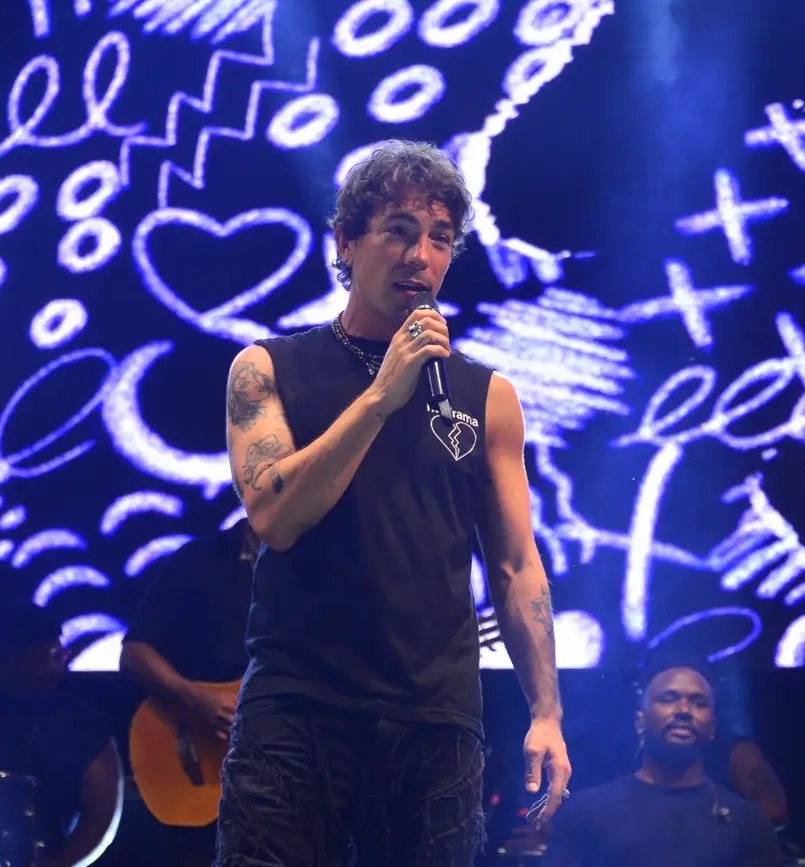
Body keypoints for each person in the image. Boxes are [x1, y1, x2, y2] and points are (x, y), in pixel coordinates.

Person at [214, 139, 571, 866]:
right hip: (297, 707)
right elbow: (275, 517)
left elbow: (515, 566)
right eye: (400, 232)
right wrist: (381, 395)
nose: (420, 256)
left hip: (433, 719)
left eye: (439, 238)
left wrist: (546, 711)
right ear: (346, 242)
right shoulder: (267, 367)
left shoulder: (487, 397)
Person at [541, 659, 781, 867]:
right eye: (669, 699)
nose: (684, 711)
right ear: (640, 721)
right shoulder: (585, 813)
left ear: (712, 727)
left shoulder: (748, 823)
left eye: (699, 703)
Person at [120, 517, 260, 867]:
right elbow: (136, 655)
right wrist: (200, 702)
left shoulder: (327, 563)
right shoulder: (200, 560)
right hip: (204, 777)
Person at [0, 600, 121, 867]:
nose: (53, 669)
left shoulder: (82, 722)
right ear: (5, 662)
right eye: (39, 659)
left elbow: (102, 816)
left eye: (58, 657)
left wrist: (63, 863)